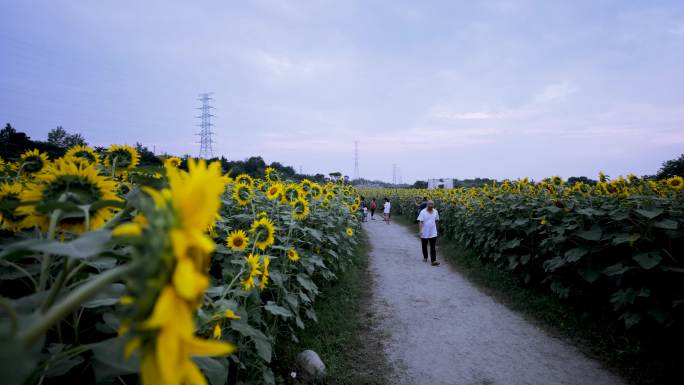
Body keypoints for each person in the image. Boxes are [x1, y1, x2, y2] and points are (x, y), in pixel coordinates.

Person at [417, 200, 440, 266]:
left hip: (433, 232)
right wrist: (420, 231)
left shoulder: (435, 211)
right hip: (424, 231)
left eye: (432, 204)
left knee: (433, 246)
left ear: (433, 205)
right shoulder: (423, 212)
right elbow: (420, 221)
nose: (431, 205)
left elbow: (437, 221)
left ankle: (433, 261)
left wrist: (437, 231)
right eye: (429, 204)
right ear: (427, 205)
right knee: (424, 245)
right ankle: (425, 257)